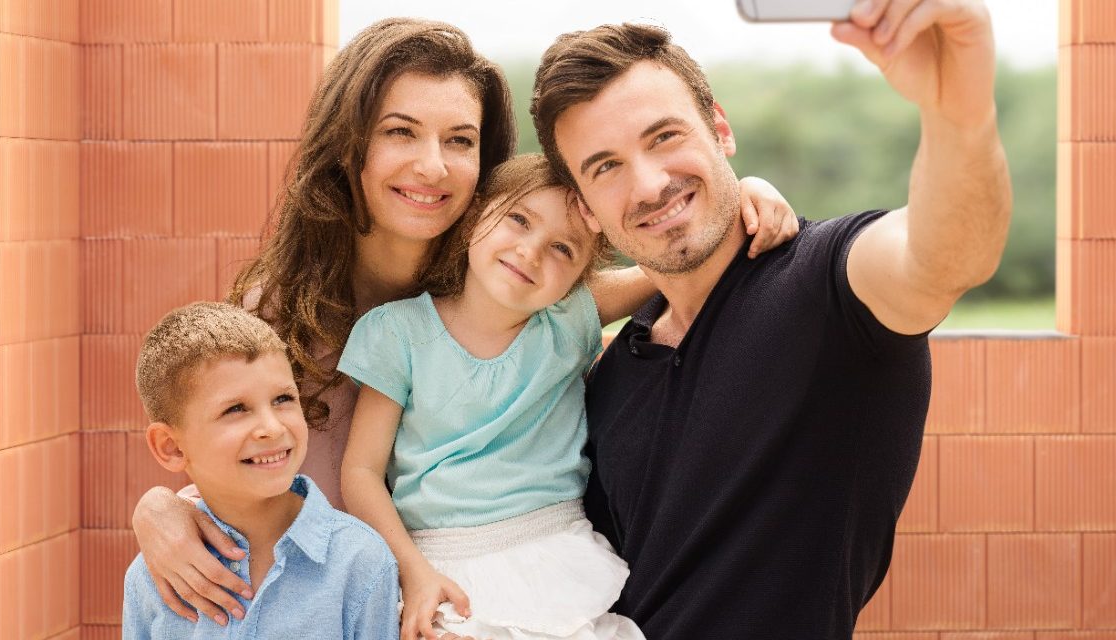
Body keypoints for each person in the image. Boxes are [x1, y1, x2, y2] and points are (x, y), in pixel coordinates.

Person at [128, 17, 798, 630]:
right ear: (348, 145)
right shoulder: (278, 314)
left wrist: (740, 194)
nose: (432, 165)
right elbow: (242, 460)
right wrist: (163, 508)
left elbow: (660, 263)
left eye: (460, 141)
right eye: (400, 132)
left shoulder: (515, 294)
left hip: (516, 589)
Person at [528, 1, 1012, 637]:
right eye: (606, 167)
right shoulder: (609, 375)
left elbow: (945, 254)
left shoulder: (829, 289)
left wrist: (961, 113)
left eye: (664, 137)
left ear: (720, 131)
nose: (648, 185)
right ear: (586, 208)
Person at [341, 153, 654, 640]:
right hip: (437, 561)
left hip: (556, 551)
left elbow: (673, 261)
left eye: (563, 249)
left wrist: (747, 194)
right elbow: (360, 471)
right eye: (518, 219)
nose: (530, 252)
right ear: (473, 219)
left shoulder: (569, 321)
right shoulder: (398, 333)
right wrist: (412, 571)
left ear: (579, 278)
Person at [123, 302, 399, 639]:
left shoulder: (360, 561)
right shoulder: (153, 577)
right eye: (236, 409)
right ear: (172, 447)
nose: (271, 427)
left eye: (283, 399)